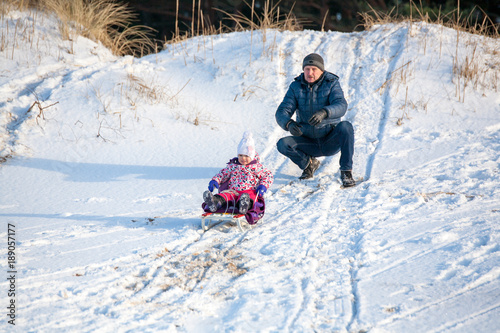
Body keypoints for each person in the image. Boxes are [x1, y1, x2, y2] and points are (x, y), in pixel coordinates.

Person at [275, 53, 355, 187]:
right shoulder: (295, 87)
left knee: (346, 127)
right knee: (283, 143)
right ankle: (308, 164)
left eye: (314, 69)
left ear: (321, 71)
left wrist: (325, 112)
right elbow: (282, 111)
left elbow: (341, 105)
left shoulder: (331, 83)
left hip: (330, 139)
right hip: (308, 141)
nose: (310, 72)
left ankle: (346, 171)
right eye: (307, 69)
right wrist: (289, 124)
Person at [203, 131, 274, 214]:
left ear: (251, 156)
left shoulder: (256, 166)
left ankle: (244, 205)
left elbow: (268, 175)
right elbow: (223, 174)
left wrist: (263, 186)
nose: (243, 158)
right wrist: (215, 180)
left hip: (248, 191)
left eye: (246, 156)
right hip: (232, 191)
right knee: (224, 196)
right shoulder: (233, 165)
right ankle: (215, 202)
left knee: (249, 197)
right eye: (240, 155)